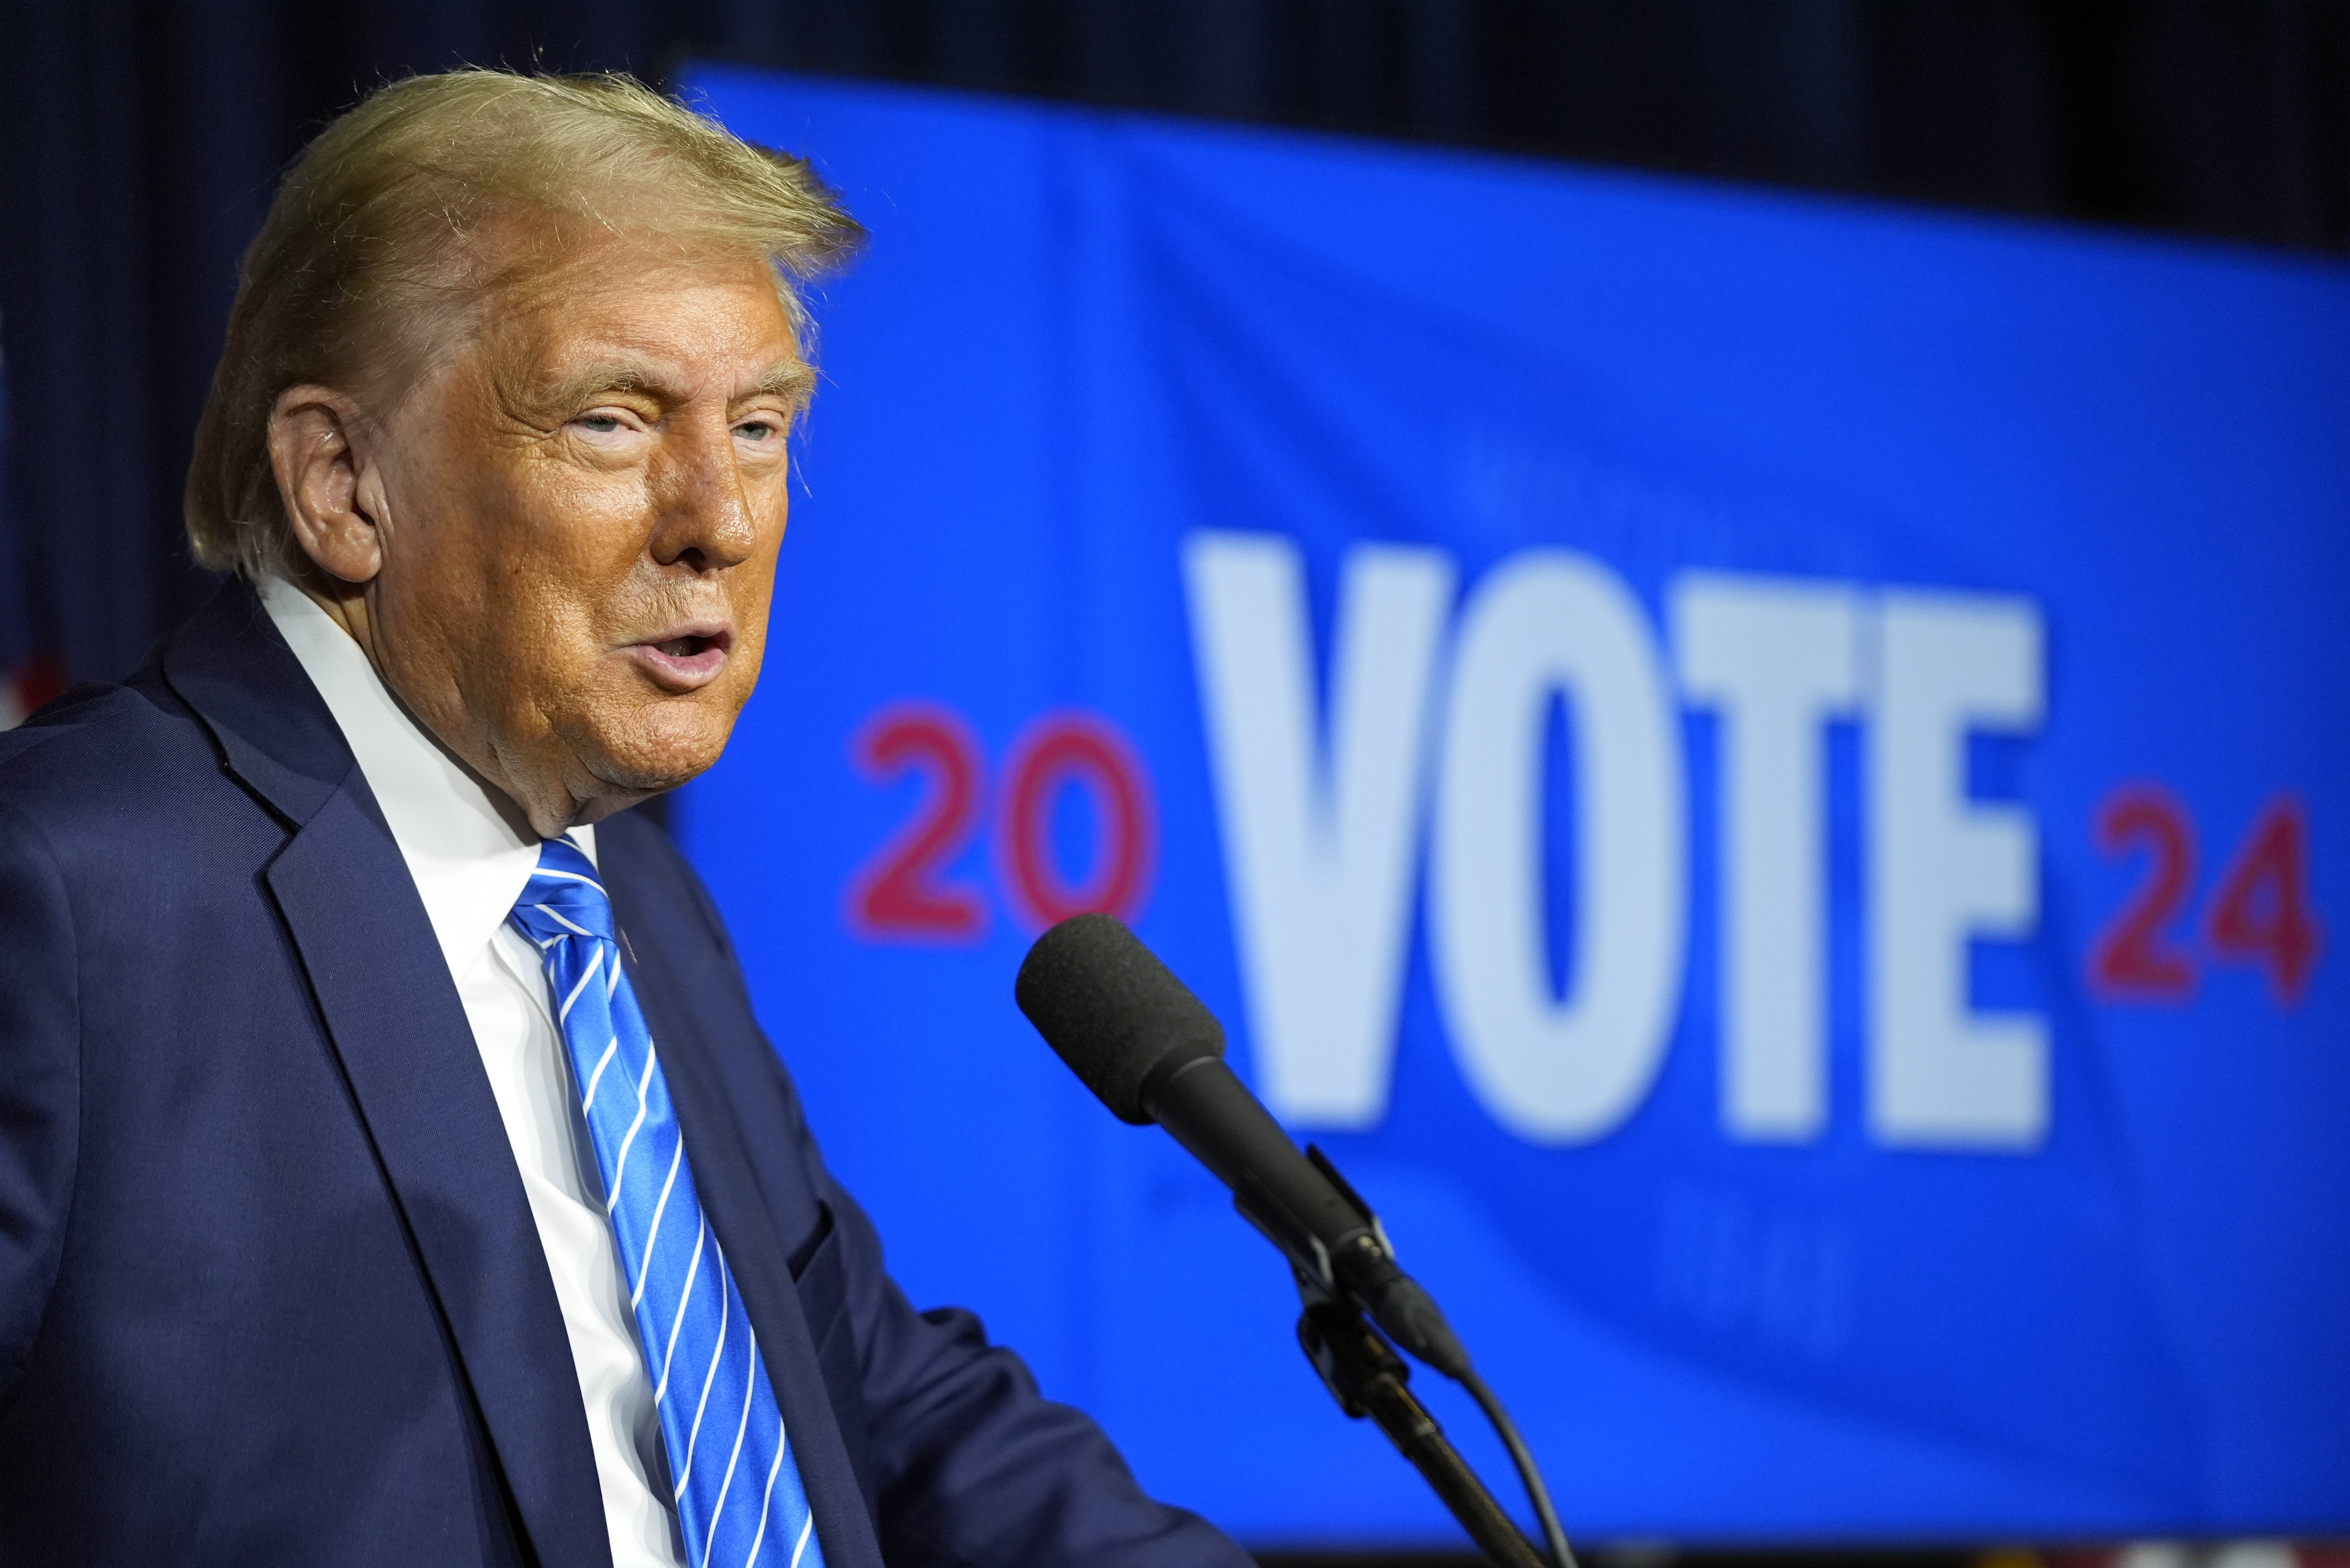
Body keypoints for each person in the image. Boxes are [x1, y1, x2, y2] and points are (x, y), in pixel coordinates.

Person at [0, 69, 1253, 1568]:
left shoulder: (628, 906)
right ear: (343, 485)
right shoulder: (72, 891)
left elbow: (862, 1392)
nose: (718, 518)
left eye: (762, 425)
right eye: (611, 420)